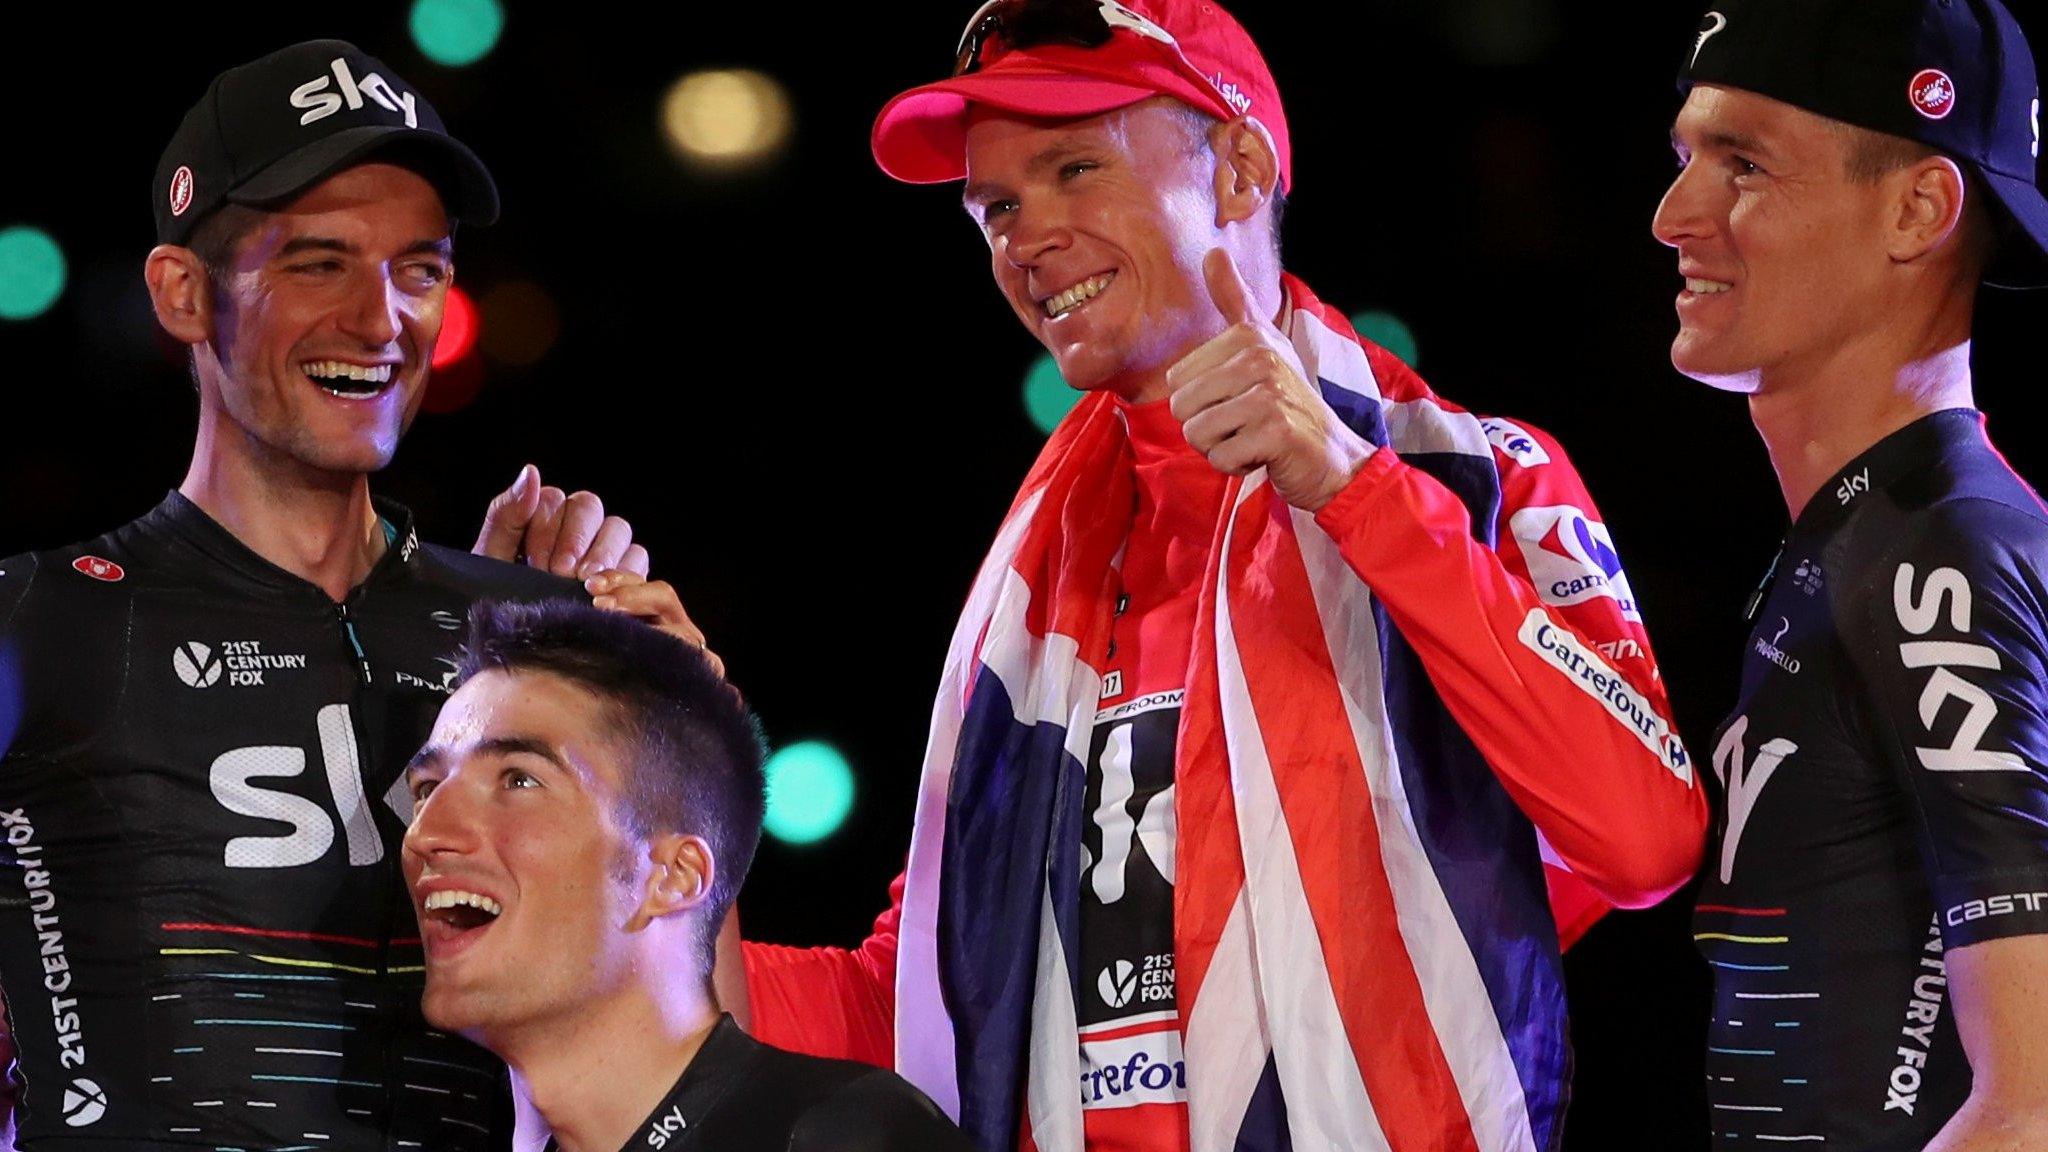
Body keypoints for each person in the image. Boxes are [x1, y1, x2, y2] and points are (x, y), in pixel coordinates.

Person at [729, 2, 1711, 1149]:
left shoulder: (1477, 479)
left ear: (1239, 169)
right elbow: (915, 1008)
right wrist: (638, 837)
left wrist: (1353, 489)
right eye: (995, 205)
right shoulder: (1028, 593)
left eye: (1072, 168)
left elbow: (1643, 838)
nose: (1025, 236)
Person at [0, 39, 685, 1149]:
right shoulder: (42, 621)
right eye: (317, 262)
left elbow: (684, 1061)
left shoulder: (523, 644)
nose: (380, 321)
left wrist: (664, 707)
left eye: (419, 268)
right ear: (183, 294)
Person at [1656, 1, 2048, 1148]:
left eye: (1742, 166)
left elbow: (2030, 1105)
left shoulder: (1936, 554)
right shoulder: (1869, 538)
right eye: (1683, 156)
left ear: (1917, 208)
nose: (1672, 215)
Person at [400, 599, 969, 1152]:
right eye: (426, 789)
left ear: (672, 877)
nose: (425, 834)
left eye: (519, 780)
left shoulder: (849, 1137)